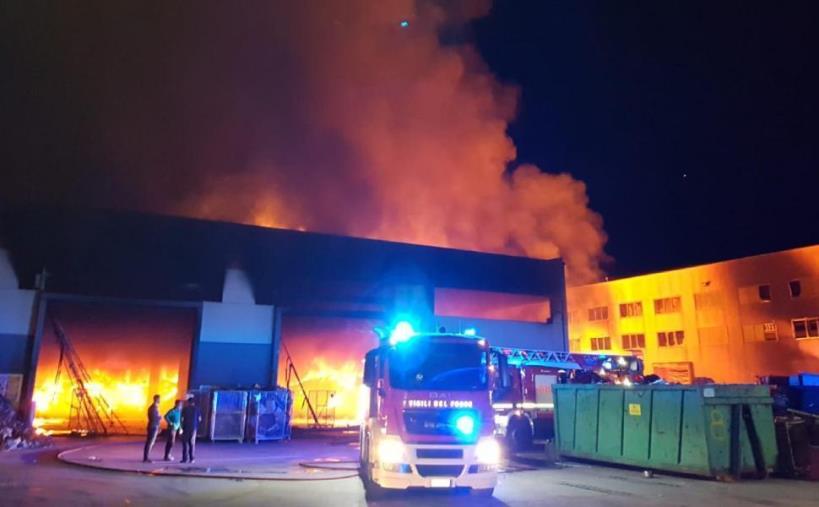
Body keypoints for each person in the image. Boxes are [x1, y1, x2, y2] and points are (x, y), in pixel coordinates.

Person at [180, 396, 202, 464]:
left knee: (185, 444)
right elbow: (200, 419)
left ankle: (184, 459)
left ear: (188, 402)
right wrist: (196, 425)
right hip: (193, 428)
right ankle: (192, 459)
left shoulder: (185, 409)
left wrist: (181, 427)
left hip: (186, 428)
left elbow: (182, 419)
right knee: (192, 444)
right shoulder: (197, 409)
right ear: (194, 403)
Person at [143, 394, 161, 463]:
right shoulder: (153, 408)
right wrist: (159, 417)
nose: (160, 400)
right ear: (156, 399)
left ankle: (146, 457)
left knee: (151, 442)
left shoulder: (155, 407)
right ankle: (146, 458)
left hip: (154, 426)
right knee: (150, 442)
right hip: (152, 426)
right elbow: (153, 418)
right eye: (159, 399)